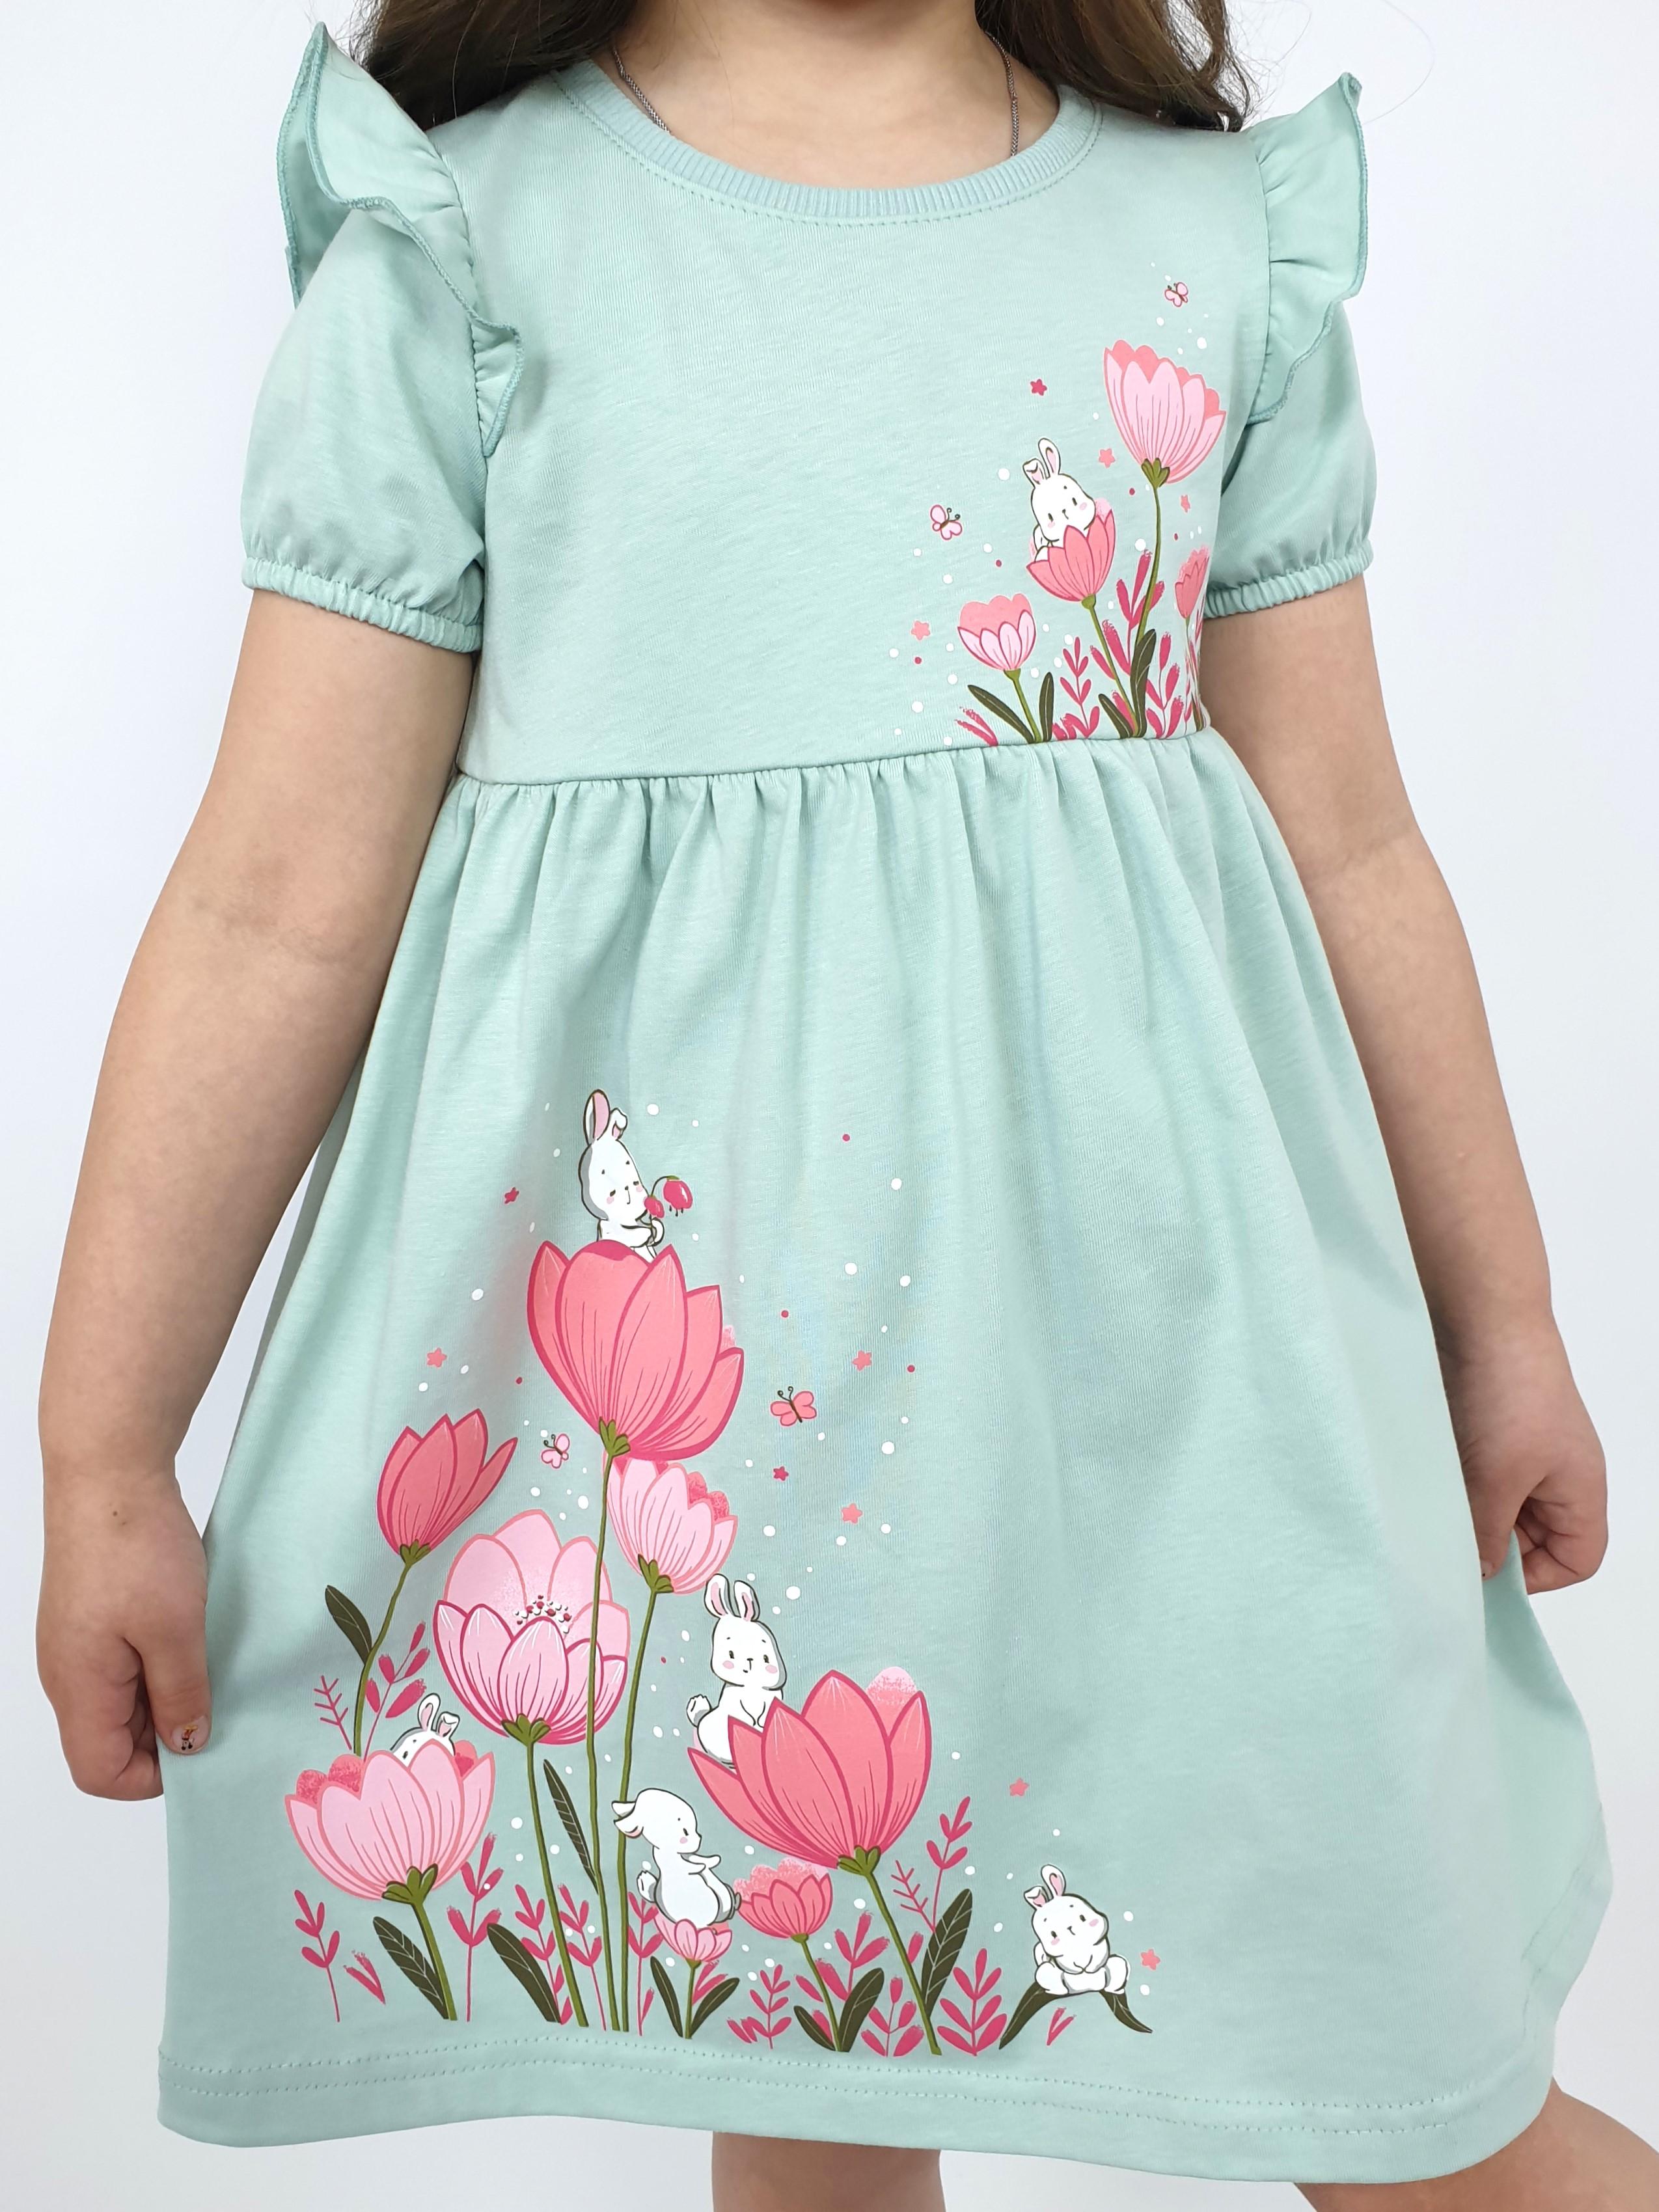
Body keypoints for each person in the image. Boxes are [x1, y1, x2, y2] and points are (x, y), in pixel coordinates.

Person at [36, 1, 1658, 2205]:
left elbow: (1353, 843)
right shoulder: (472, 243)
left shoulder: (1204, 240)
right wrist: (106, 1444)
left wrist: (1504, 1319)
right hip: (746, 1414)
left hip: (1200, 1391)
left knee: (1414, 2100)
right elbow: (272, 903)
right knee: (818, 2048)